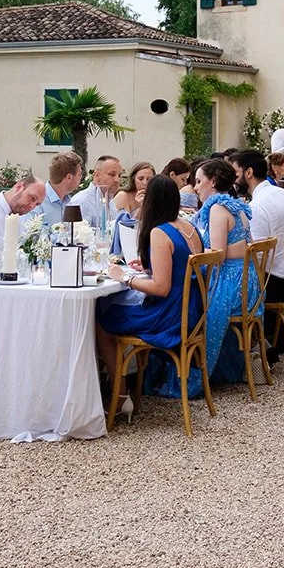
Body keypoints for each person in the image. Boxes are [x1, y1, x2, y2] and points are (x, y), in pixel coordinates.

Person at [95, 174, 203, 418]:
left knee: (102, 320)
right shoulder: (188, 227)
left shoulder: (159, 232)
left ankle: (120, 396)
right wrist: (149, 268)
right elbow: (179, 267)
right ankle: (122, 388)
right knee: (109, 309)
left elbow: (162, 288)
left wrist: (125, 278)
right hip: (192, 310)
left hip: (170, 316)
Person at [152, 157, 255, 397]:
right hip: (244, 277)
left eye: (199, 181)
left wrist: (189, 255)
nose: (195, 187)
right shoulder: (233, 205)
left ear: (214, 181)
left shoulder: (218, 209)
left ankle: (193, 377)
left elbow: (216, 255)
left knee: (195, 306)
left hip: (230, 281)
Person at [233, 149, 284, 305]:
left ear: (249, 172)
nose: (234, 181)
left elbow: (257, 258)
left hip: (277, 283)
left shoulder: (257, 206)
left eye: (237, 175)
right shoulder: (283, 194)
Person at [28, 152, 83, 229]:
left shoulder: (69, 201)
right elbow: (31, 236)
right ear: (69, 178)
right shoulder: (37, 202)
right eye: (79, 174)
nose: (81, 178)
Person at [73, 155, 123, 233]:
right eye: (112, 174)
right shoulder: (82, 201)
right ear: (97, 175)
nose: (117, 180)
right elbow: (79, 238)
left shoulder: (111, 200)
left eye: (119, 175)